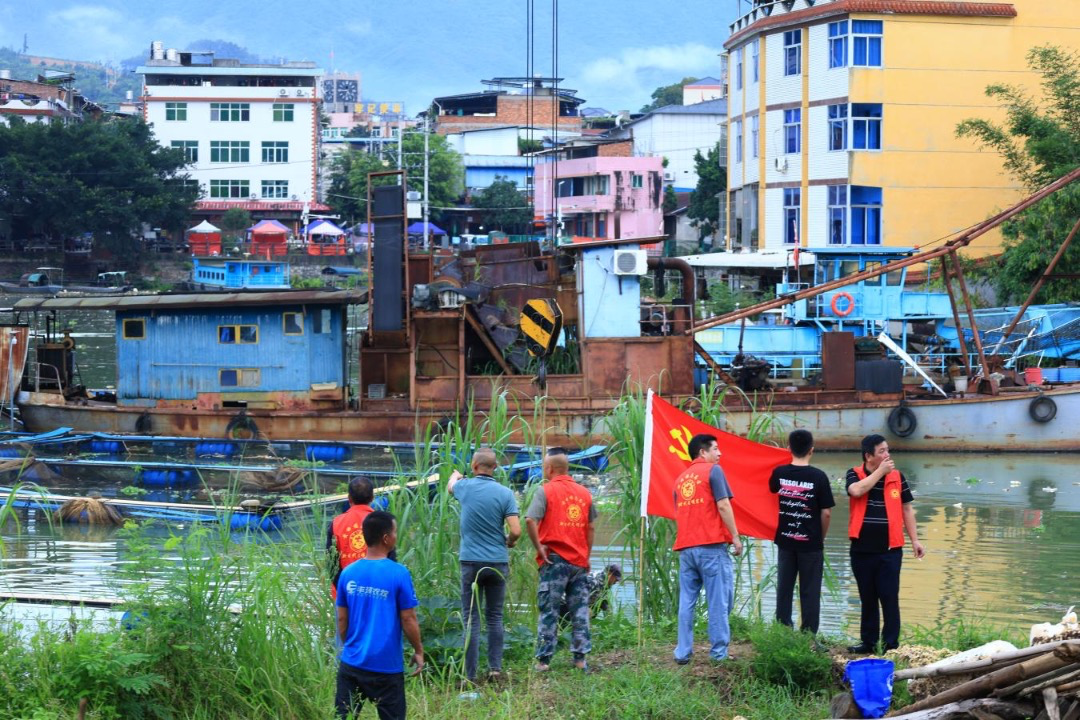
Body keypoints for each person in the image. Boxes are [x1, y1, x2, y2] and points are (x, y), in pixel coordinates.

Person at [335, 511, 423, 720]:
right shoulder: (399, 573)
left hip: (352, 665)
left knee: (344, 717)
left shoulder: (348, 573)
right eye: (394, 531)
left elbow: (341, 619)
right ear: (386, 538)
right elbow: (408, 618)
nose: (396, 535)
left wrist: (352, 646)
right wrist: (418, 650)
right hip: (386, 667)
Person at [846, 434, 926, 653]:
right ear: (868, 456)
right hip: (861, 550)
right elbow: (856, 491)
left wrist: (915, 540)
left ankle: (891, 645)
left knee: (889, 597)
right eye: (882, 451)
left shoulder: (898, 477)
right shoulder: (855, 474)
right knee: (867, 597)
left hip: (890, 550)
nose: (887, 455)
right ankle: (868, 643)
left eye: (887, 450)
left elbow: (907, 509)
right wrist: (880, 472)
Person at [447, 448, 522, 683]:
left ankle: (469, 675)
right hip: (497, 562)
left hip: (470, 562)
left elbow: (450, 486)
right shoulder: (505, 493)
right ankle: (495, 670)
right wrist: (509, 542)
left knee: (471, 619)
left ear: (474, 466)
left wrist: (456, 475)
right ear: (495, 468)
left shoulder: (464, 487)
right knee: (495, 617)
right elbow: (516, 530)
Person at [672, 433, 743, 665]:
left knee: (687, 601)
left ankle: (682, 652)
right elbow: (723, 505)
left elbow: (679, 513)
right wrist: (734, 536)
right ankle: (718, 653)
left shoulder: (680, 479)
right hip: (711, 547)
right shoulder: (714, 471)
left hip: (686, 548)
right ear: (703, 452)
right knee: (719, 600)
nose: (719, 453)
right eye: (715, 449)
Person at [525, 451, 596, 671]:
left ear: (549, 469)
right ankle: (580, 659)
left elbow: (530, 520)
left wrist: (539, 548)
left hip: (554, 560)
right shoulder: (585, 493)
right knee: (580, 610)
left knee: (549, 611)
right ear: (567, 468)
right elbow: (591, 527)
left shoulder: (544, 491)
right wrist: (586, 555)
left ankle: (544, 661)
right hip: (578, 562)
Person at [769, 429, 834, 634]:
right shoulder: (819, 477)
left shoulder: (780, 473)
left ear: (788, 449)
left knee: (784, 588)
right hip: (810, 544)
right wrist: (819, 539)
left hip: (786, 541)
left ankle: (783, 630)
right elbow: (826, 514)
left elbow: (771, 489)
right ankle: (808, 635)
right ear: (812, 450)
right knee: (810, 591)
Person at [327, 476, 380, 600]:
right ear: (372, 497)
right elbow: (389, 559)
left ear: (349, 498)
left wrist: (344, 590)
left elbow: (332, 565)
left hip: (344, 592)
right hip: (375, 592)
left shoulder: (336, 523)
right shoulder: (381, 522)